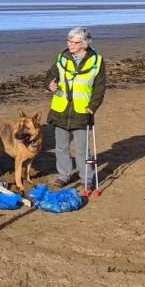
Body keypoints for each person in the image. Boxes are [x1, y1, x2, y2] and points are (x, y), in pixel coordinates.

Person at [46, 27, 106, 190]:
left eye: (73, 41)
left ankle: (86, 177)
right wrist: (50, 84)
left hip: (82, 111)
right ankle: (63, 176)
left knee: (81, 149)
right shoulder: (62, 58)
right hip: (60, 110)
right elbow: (49, 76)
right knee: (61, 147)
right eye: (68, 40)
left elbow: (99, 88)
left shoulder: (97, 62)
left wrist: (93, 106)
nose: (69, 44)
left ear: (84, 43)